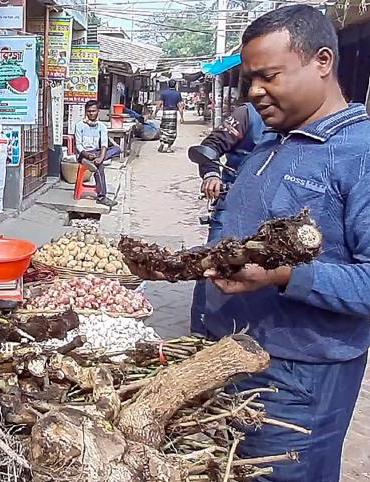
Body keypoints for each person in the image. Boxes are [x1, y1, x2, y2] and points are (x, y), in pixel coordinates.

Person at [130, 6, 370, 480]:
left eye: (269, 76)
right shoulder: (272, 142)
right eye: (248, 79)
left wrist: (284, 275)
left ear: (322, 61)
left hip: (295, 380)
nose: (254, 91)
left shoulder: (359, 155)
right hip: (224, 357)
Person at [188, 101, 273, 335]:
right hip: (234, 202)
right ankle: (201, 331)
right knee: (214, 262)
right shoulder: (248, 114)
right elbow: (211, 147)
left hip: (275, 212)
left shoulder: (307, 125)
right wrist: (212, 175)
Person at [74, 100, 121, 208]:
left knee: (116, 148)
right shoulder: (79, 125)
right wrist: (87, 155)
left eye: (93, 111)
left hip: (96, 153)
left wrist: (100, 157)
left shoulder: (102, 126)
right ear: (86, 112)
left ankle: (95, 161)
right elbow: (78, 145)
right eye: (89, 111)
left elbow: (104, 144)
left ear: (98, 111)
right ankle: (101, 197)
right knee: (100, 167)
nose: (91, 113)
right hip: (83, 154)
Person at [154, 79, 185, 153]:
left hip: (165, 112)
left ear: (168, 84)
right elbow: (180, 106)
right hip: (173, 113)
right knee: (172, 130)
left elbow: (159, 104)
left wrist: (155, 113)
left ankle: (162, 142)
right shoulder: (177, 94)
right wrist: (182, 117)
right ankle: (169, 147)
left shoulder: (164, 93)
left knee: (164, 128)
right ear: (175, 85)